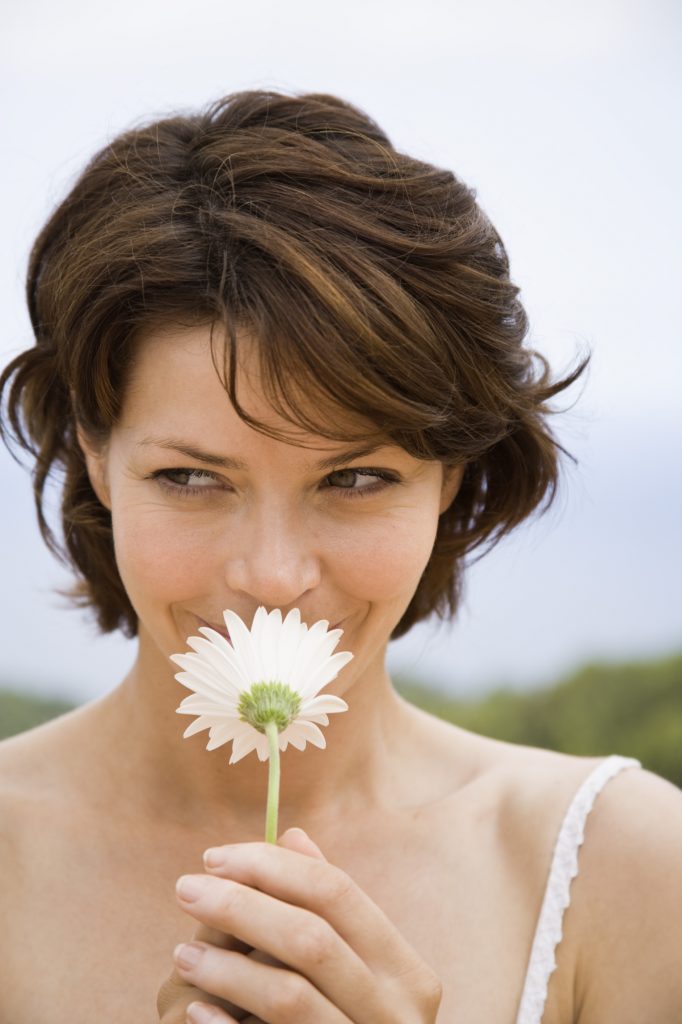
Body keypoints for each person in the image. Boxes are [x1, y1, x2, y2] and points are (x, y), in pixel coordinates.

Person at [0, 89, 679, 1024]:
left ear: (450, 480)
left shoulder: (630, 867)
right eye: (194, 479)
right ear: (97, 459)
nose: (274, 577)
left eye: (354, 479)